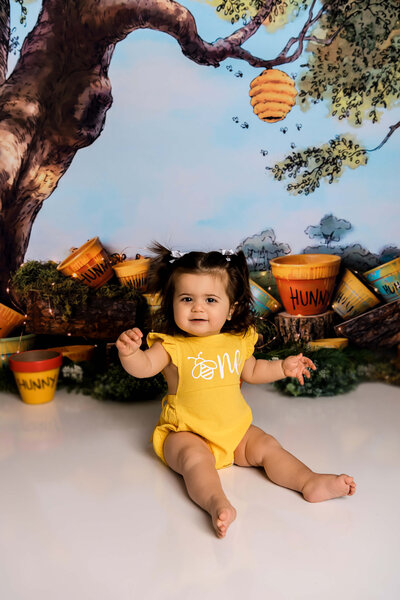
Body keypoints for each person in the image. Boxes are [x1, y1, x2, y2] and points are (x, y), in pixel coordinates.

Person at [116, 244, 356, 538]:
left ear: (230, 309)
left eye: (211, 299)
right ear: (172, 303)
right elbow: (144, 367)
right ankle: (216, 502)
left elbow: (252, 371)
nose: (198, 307)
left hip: (234, 429)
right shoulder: (169, 345)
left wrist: (283, 367)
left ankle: (309, 481)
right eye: (187, 298)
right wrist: (130, 354)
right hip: (185, 432)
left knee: (268, 445)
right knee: (195, 460)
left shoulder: (237, 341)